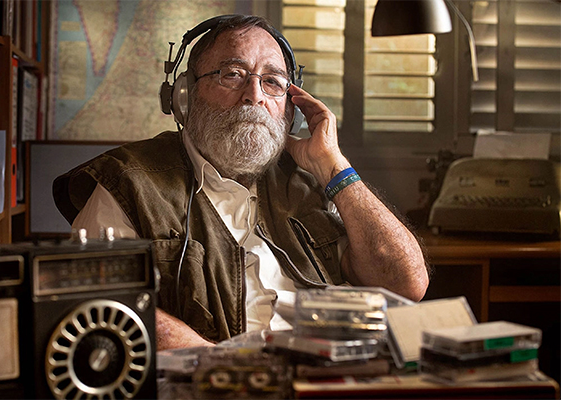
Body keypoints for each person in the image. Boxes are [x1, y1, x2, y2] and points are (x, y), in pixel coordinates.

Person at [54, 15, 429, 351]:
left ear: (290, 106)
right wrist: (230, 371)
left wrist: (335, 169)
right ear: (184, 95)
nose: (254, 95)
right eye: (232, 74)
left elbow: (405, 285)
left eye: (273, 82)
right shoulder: (128, 182)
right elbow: (101, 301)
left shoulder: (313, 183)